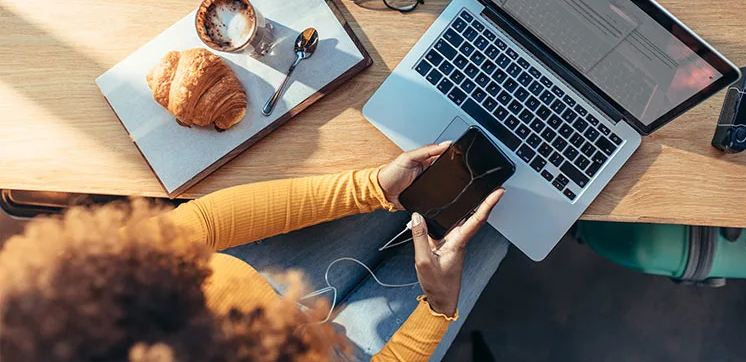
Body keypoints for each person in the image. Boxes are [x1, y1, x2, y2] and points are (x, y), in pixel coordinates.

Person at [0, 143, 508, 362]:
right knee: (503, 217)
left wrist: (368, 186)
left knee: (435, 173)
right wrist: (438, 308)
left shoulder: (73, 303)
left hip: (268, 277)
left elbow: (206, 223)